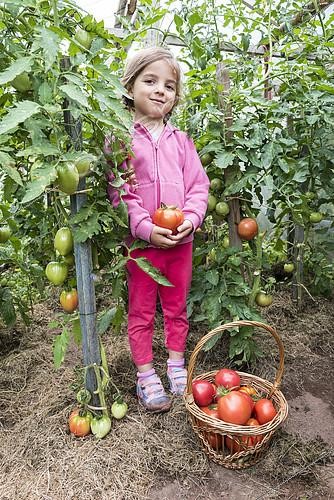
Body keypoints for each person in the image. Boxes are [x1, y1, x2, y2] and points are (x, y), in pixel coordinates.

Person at [105, 46, 209, 412]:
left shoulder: (181, 142)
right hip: (142, 247)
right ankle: (146, 375)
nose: (161, 90)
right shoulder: (120, 140)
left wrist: (191, 220)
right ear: (130, 86)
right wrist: (146, 228)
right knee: (142, 311)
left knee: (177, 307)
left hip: (181, 242)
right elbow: (121, 192)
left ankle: (177, 366)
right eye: (150, 81)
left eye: (169, 85)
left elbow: (199, 186)